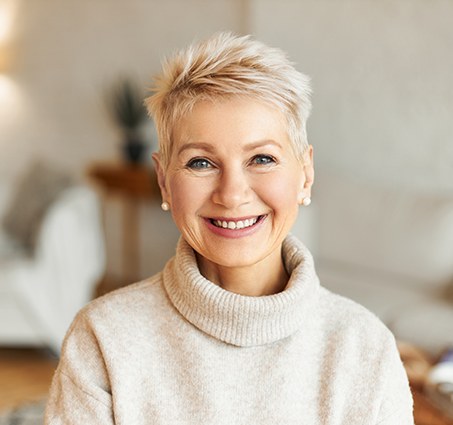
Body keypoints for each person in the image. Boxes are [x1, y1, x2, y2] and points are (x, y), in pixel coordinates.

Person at [45, 32, 414, 424]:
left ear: (305, 174)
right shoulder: (103, 340)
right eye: (201, 163)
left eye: (262, 158)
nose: (232, 194)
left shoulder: (366, 348)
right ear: (164, 180)